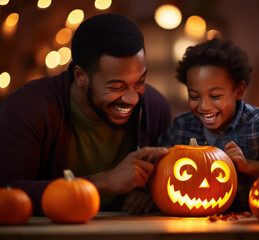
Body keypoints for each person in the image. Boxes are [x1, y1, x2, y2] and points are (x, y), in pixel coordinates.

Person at [0, 13, 171, 215]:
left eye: (140, 82)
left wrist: (147, 193)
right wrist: (103, 182)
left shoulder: (154, 107)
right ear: (81, 76)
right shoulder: (28, 107)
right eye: (116, 87)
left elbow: (165, 182)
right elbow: (8, 192)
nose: (133, 98)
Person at [158, 37, 259, 212]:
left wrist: (248, 165)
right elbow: (159, 170)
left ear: (238, 91)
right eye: (194, 96)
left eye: (215, 96)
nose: (204, 106)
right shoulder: (181, 125)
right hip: (192, 222)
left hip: (247, 222)